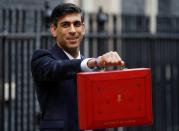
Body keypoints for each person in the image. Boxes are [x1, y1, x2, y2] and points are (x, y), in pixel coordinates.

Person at [31, 3, 125, 131]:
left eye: (77, 24)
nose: (73, 30)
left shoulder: (93, 67)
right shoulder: (42, 58)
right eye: (65, 25)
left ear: (84, 28)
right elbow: (57, 68)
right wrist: (93, 62)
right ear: (53, 30)